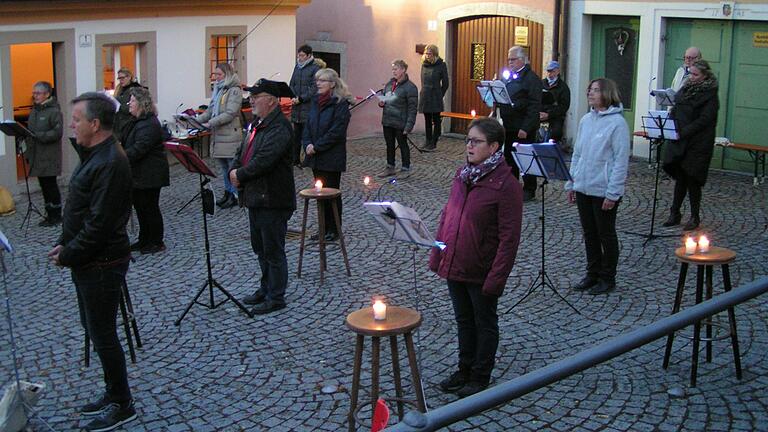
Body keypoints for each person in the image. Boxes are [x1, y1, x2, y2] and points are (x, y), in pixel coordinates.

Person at [47, 92, 136, 431]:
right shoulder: (95, 154)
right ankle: (113, 393)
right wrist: (63, 243)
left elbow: (100, 223)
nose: (71, 124)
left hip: (102, 263)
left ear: (95, 124)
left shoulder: (110, 161)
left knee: (103, 334)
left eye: (77, 119)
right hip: (88, 260)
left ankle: (122, 403)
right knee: (94, 330)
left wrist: (69, 253)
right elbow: (81, 211)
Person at [429, 117, 523, 398]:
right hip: (456, 260)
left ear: (494, 146)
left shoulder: (507, 186)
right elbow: (448, 215)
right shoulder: (463, 174)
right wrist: (438, 252)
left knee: (484, 322)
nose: (469, 146)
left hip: (481, 267)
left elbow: (509, 238)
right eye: (468, 140)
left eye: (476, 141)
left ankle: (481, 374)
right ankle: (464, 368)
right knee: (463, 321)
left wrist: (497, 277)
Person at [231, 79, 296, 315]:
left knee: (273, 249)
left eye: (256, 97)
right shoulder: (257, 123)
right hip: (256, 197)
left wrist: (240, 173)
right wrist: (235, 168)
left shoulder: (280, 127)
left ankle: (276, 296)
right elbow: (243, 150)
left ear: (270, 100)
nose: (251, 100)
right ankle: (265, 287)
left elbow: (265, 160)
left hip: (273, 198)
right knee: (259, 247)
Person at [565, 78, 630, 295]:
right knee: (589, 234)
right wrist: (571, 182)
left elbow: (621, 161)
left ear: (606, 94)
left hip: (603, 189)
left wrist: (613, 192)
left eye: (595, 90)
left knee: (606, 234)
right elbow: (578, 153)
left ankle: (607, 277)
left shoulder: (617, 124)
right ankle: (592, 273)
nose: (590, 94)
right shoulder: (585, 120)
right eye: (589, 90)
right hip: (584, 186)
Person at [662, 59, 719, 231]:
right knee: (680, 178)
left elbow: (705, 120)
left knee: (693, 179)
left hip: (698, 143)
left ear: (704, 76)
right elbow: (676, 107)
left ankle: (695, 216)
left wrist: (684, 132)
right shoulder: (686, 88)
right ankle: (675, 213)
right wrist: (671, 123)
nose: (692, 77)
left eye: (695, 74)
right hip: (681, 140)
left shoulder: (710, 94)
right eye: (691, 74)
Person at [302, 68, 354, 242]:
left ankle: (335, 229)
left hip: (331, 156)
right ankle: (323, 228)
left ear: (332, 84)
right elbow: (308, 125)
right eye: (317, 80)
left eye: (322, 80)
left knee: (331, 193)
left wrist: (317, 146)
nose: (318, 83)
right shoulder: (316, 102)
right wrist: (307, 143)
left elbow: (337, 132)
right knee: (319, 194)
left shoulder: (340, 105)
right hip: (316, 155)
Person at [123, 87, 170, 254]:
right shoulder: (137, 122)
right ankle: (144, 239)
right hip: (139, 173)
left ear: (142, 104)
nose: (129, 104)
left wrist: (120, 157)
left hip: (150, 173)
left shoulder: (149, 123)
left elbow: (140, 148)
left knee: (150, 207)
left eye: (133, 101)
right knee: (141, 207)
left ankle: (156, 241)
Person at [196, 62, 243, 209]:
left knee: (231, 166)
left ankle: (235, 194)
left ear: (227, 75)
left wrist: (211, 123)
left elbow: (230, 113)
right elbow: (210, 110)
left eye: (219, 75)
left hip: (230, 134)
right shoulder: (219, 89)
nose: (216, 77)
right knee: (224, 167)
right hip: (219, 135)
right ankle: (227, 192)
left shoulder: (234, 90)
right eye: (214, 74)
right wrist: (195, 121)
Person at [499, 46, 542, 202]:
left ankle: (529, 188)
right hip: (510, 125)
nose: (509, 62)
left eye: (513, 59)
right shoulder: (509, 77)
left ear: (522, 60)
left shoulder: (532, 79)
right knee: (509, 157)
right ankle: (512, 186)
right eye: (509, 59)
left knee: (525, 159)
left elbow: (534, 106)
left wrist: (526, 127)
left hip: (524, 126)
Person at [26, 81, 63, 226]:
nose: (34, 95)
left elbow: (57, 132)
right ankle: (49, 213)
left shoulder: (54, 111)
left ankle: (56, 215)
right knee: (43, 185)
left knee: (50, 185)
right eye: (34, 93)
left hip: (49, 155)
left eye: (38, 93)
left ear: (47, 94)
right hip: (37, 154)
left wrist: (39, 136)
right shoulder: (35, 110)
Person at [378, 59, 418, 178]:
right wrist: (382, 102)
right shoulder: (390, 84)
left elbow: (412, 108)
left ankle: (405, 168)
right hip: (388, 120)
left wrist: (409, 125)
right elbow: (386, 98)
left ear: (403, 70)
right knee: (389, 145)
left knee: (402, 145)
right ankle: (390, 167)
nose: (393, 71)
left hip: (401, 122)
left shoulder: (410, 87)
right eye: (393, 69)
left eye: (396, 69)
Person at [289, 44, 323, 166]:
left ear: (308, 55)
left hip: (307, 107)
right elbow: (292, 83)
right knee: (296, 136)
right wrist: (293, 96)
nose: (299, 57)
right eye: (298, 55)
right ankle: (295, 159)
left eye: (302, 55)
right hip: (296, 107)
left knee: (307, 135)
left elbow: (314, 88)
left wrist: (301, 99)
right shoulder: (297, 67)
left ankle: (307, 160)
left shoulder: (315, 68)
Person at [418, 44, 449, 150]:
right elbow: (423, 81)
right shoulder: (424, 65)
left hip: (435, 94)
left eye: (429, 54)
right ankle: (428, 140)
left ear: (435, 54)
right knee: (427, 119)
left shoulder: (441, 65)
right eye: (426, 53)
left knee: (436, 119)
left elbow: (446, 83)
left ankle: (434, 141)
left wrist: (440, 94)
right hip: (425, 94)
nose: (427, 56)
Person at [540, 60, 571, 146]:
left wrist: (549, 114)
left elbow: (564, 107)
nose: (550, 74)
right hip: (540, 113)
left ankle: (553, 148)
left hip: (555, 116)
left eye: (552, 71)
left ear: (557, 71)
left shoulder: (563, 87)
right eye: (549, 71)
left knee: (556, 133)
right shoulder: (541, 83)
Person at [112, 68, 144, 138]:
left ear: (129, 77)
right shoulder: (119, 89)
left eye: (122, 78)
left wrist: (118, 106)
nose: (120, 80)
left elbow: (135, 108)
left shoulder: (136, 89)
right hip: (119, 126)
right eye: (119, 78)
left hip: (129, 124)